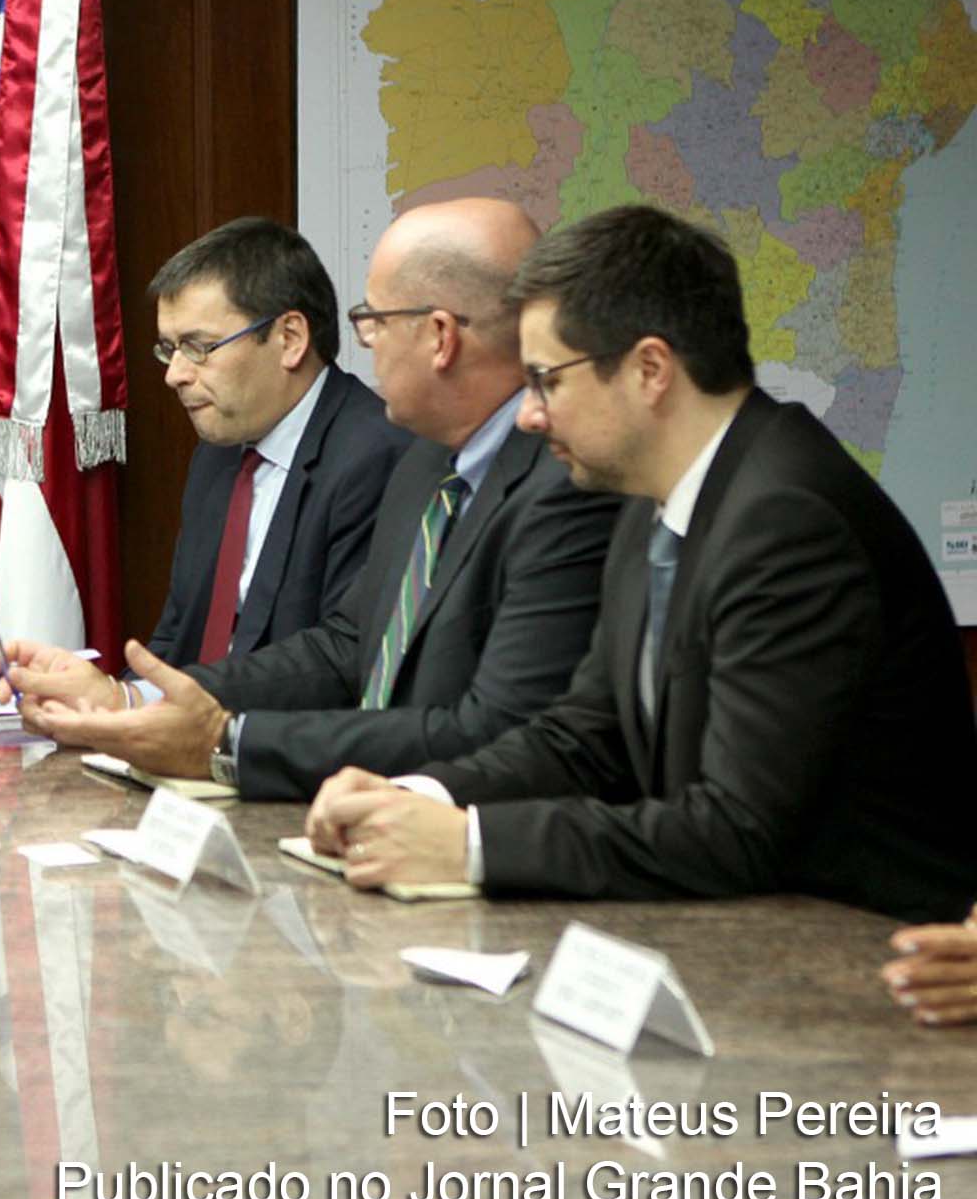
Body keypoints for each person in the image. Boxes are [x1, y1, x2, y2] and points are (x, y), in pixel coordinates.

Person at [309, 204, 977, 922]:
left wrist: (470, 842)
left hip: (870, 963)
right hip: (735, 933)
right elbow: (583, 737)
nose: (529, 416)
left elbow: (735, 830)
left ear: (650, 369)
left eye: (546, 381)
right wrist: (416, 797)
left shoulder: (787, 523)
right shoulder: (649, 495)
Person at [0, 199, 618, 800]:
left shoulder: (566, 486)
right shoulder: (427, 462)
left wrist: (226, 744)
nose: (365, 344)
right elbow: (345, 647)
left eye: (373, 322)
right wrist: (131, 699)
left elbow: (493, 729)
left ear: (439, 337)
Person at [135, 217, 408, 667]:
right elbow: (178, 634)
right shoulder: (217, 456)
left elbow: (340, 666)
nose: (175, 374)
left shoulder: (375, 457)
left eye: (198, 347)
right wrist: (111, 701)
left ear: (290, 339)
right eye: (169, 349)